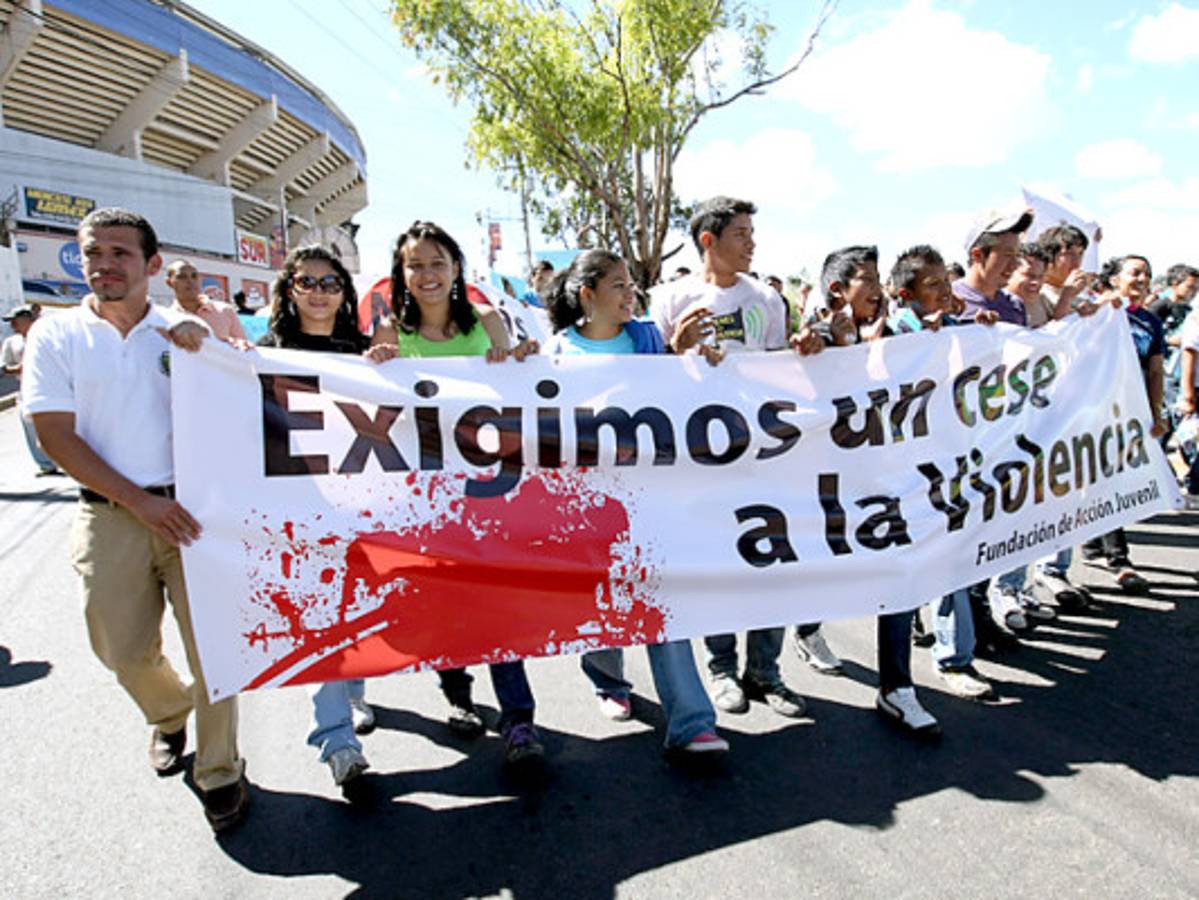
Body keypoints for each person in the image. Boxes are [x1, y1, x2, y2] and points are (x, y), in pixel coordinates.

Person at [21, 208, 248, 832]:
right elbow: (56, 438)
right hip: (112, 516)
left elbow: (241, 402)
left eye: (120, 254)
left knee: (216, 654)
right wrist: (139, 501)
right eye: (94, 253)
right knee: (122, 652)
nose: (104, 265)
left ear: (150, 265)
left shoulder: (185, 333)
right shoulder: (55, 334)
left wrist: (223, 357)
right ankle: (171, 714)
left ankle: (222, 771)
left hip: (196, 517)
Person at [368, 220, 545, 768]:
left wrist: (518, 359)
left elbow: (520, 388)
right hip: (426, 498)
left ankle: (518, 720)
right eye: (415, 264)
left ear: (456, 269)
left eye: (437, 263)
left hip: (490, 494)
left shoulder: (488, 322)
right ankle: (458, 696)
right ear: (401, 273)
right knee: (444, 605)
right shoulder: (393, 335)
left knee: (498, 606)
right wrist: (377, 369)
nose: (427, 274)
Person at [541, 248, 729, 757]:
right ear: (588, 295)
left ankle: (692, 722)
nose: (631, 294)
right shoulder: (557, 350)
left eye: (631, 285)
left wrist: (692, 355)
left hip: (652, 496)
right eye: (619, 286)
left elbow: (674, 390)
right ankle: (607, 680)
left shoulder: (646, 337)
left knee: (662, 602)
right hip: (590, 499)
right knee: (603, 597)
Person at [648, 196, 818, 719]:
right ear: (708, 241)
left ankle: (765, 670)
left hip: (764, 455)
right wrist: (677, 353)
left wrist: (804, 351)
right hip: (701, 461)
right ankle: (721, 669)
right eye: (741, 234)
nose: (751, 243)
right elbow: (647, 382)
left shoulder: (767, 299)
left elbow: (779, 370)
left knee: (775, 561)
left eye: (751, 233)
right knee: (721, 562)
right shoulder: (670, 299)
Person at [258, 246, 378, 792]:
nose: (320, 291)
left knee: (354, 614)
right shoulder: (261, 354)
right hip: (295, 510)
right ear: (288, 291)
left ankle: (354, 694)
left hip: (358, 505)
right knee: (317, 622)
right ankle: (336, 742)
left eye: (331, 282)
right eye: (307, 282)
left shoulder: (364, 353)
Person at [888, 244, 998, 703]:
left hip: (951, 464)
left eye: (945, 283)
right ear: (905, 294)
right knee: (905, 566)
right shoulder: (893, 331)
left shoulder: (958, 330)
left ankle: (954, 657)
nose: (943, 293)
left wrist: (987, 337)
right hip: (902, 472)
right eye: (931, 285)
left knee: (953, 556)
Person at [1080, 254, 1162, 593]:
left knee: (1112, 479)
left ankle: (1092, 544)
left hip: (1131, 411)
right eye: (1135, 272)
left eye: (1147, 273)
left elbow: (1155, 370)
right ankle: (1119, 558)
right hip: (1095, 411)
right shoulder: (1098, 314)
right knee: (1106, 479)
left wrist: (1157, 414)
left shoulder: (1150, 322)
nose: (1142, 278)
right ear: (1114, 279)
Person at [3, 305, 61, 475]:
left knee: (57, 426)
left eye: (15, 321)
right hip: (26, 388)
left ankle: (66, 459)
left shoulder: (48, 337)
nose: (13, 325)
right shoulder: (11, 342)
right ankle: (46, 464)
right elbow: (4, 366)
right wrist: (18, 369)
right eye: (11, 322)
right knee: (30, 427)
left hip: (51, 387)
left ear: (28, 320)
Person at [164, 260, 246, 342]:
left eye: (194, 276)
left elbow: (244, 350)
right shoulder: (167, 320)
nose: (190, 281)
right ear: (169, 282)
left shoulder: (225, 311)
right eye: (182, 277)